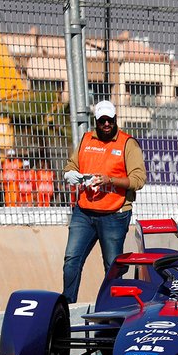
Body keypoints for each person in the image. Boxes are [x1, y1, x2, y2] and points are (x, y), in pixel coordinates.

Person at [62, 100, 146, 303]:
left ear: (116, 119)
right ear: (96, 122)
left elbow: (139, 179)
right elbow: (71, 165)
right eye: (102, 121)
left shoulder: (128, 143)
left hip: (114, 214)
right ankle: (67, 305)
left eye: (110, 120)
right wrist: (70, 175)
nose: (106, 124)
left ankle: (111, 307)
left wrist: (111, 180)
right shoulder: (86, 140)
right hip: (84, 212)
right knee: (71, 260)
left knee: (112, 265)